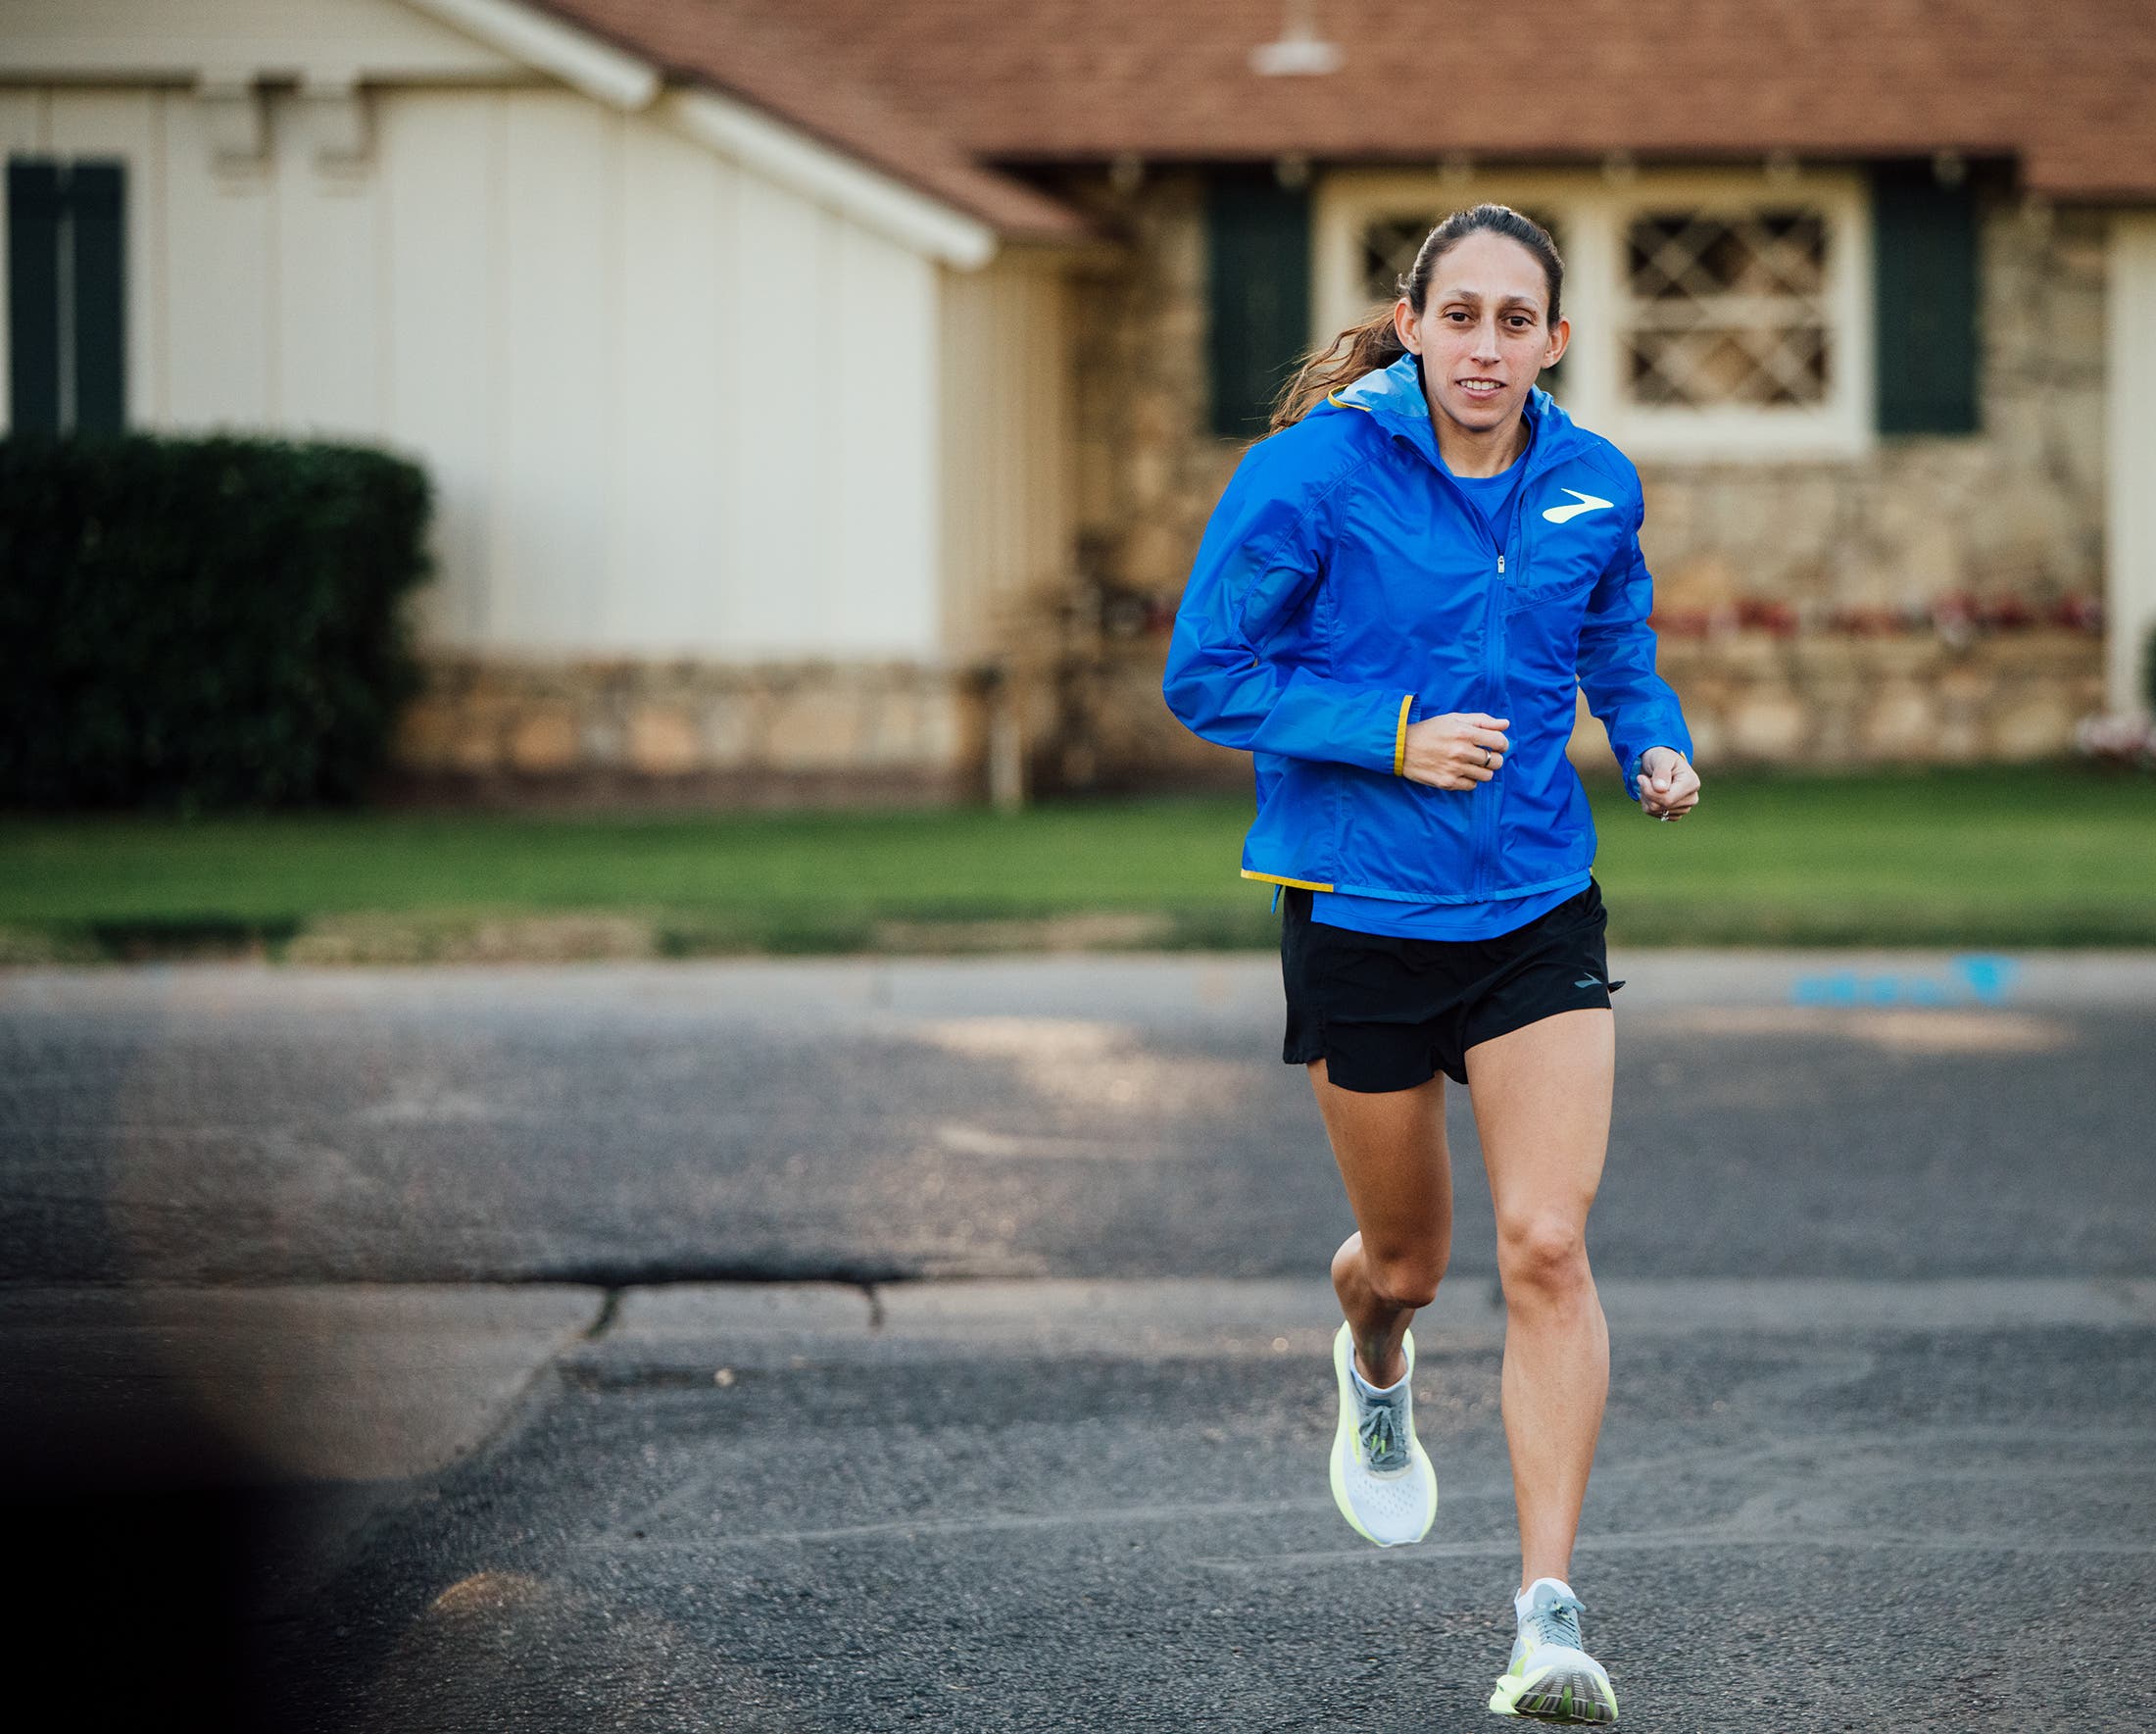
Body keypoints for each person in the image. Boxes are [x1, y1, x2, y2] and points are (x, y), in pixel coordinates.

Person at [1161, 205, 1700, 1724]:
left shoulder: (1593, 479)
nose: (1484, 346)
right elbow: (1208, 671)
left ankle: (1547, 1617)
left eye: (1513, 320)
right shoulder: (1310, 474)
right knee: (1411, 1261)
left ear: (1554, 342)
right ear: (1412, 324)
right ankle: (1374, 1354)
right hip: (1364, 909)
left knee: (1546, 1243)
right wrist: (1392, 734)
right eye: (1457, 315)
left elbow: (1618, 640)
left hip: (1538, 903)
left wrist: (1651, 737)